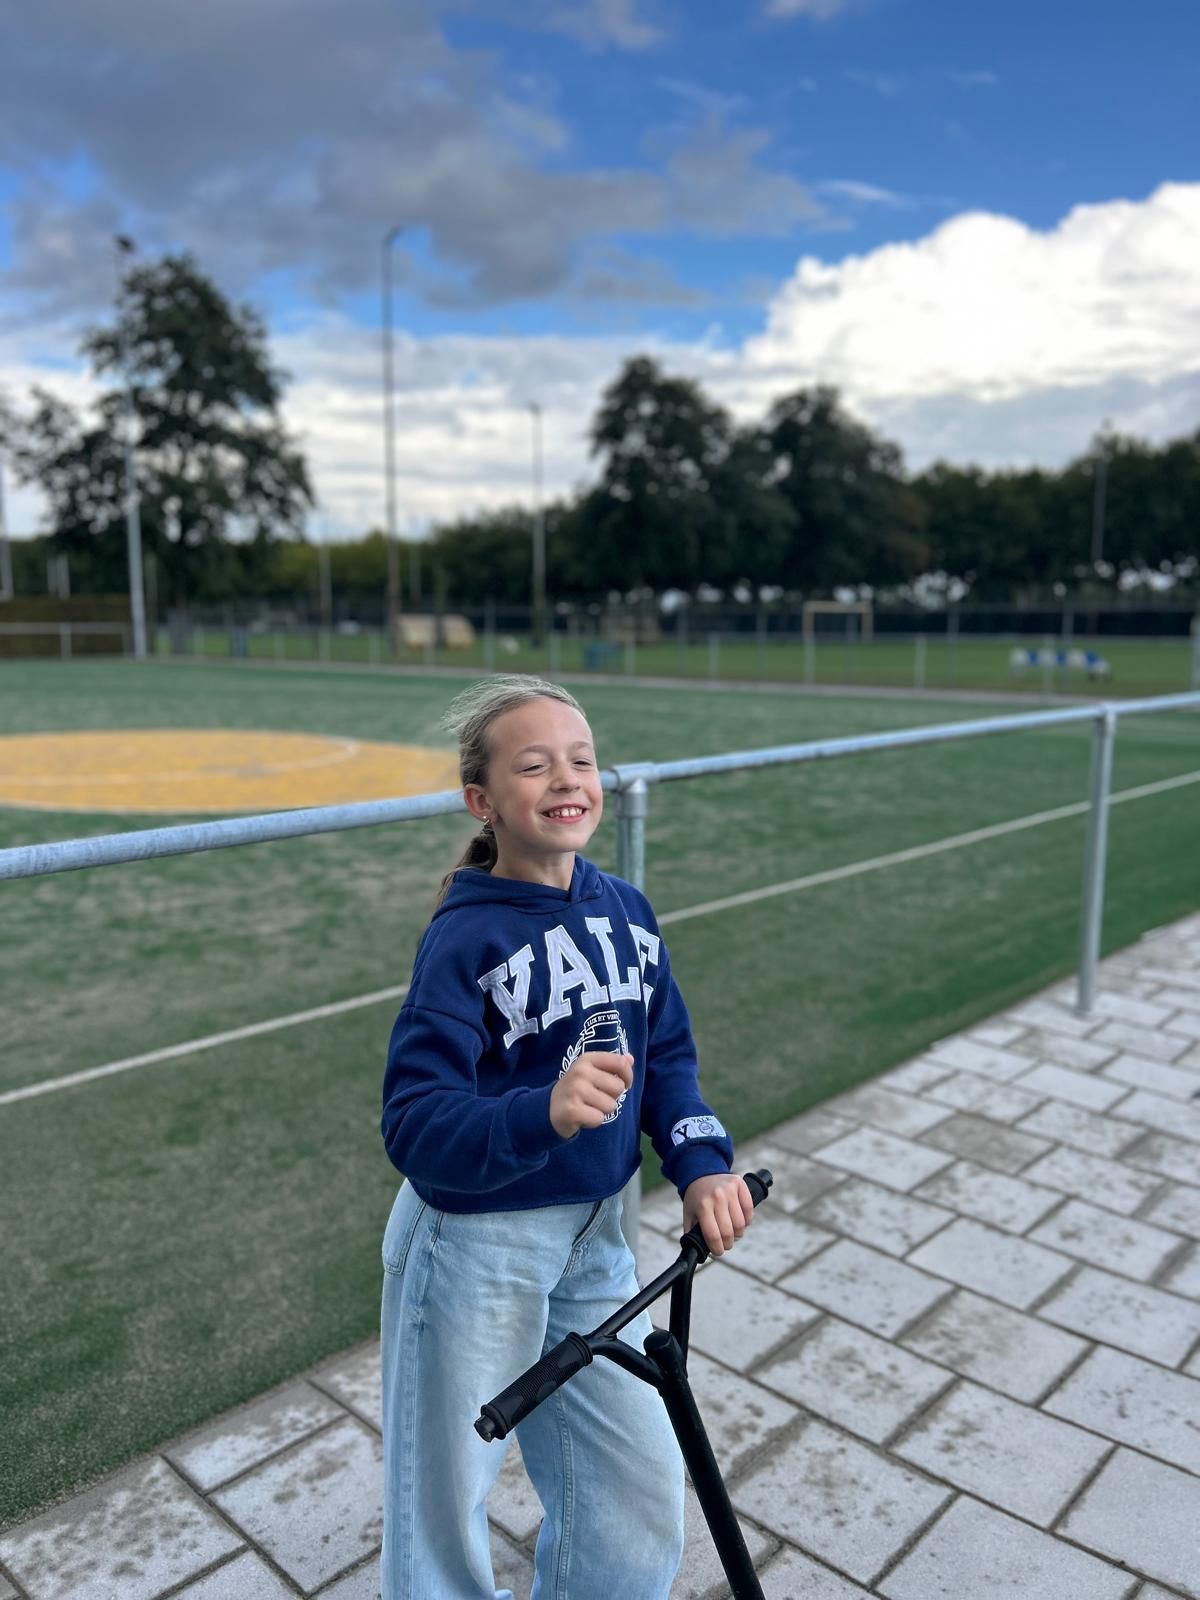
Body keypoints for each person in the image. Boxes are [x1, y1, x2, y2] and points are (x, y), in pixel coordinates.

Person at [379, 674, 753, 1600]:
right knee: (443, 1507)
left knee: (635, 1490)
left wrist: (701, 1165)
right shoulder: (464, 939)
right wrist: (540, 1111)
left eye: (581, 760)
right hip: (473, 1246)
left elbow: (667, 1057)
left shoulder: (627, 909)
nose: (566, 779)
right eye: (534, 765)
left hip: (596, 1238)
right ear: (483, 802)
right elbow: (413, 1121)